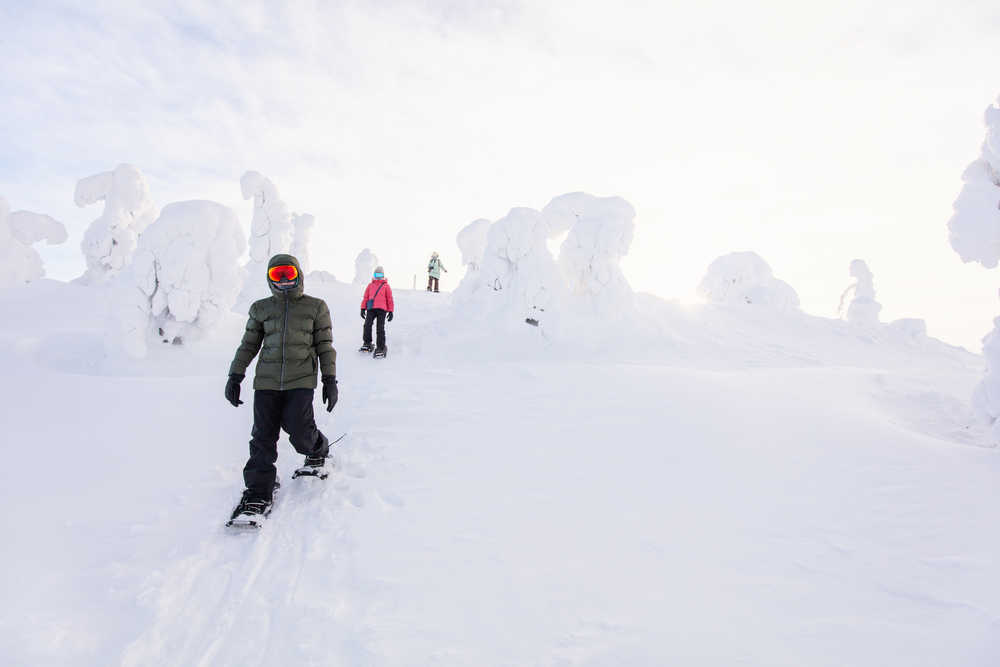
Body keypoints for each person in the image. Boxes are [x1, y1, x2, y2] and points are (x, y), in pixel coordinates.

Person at [224, 254, 338, 522]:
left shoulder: (315, 307)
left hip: (300, 380)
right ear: (269, 278)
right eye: (278, 275)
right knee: (262, 436)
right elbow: (249, 345)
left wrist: (329, 380)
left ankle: (318, 448)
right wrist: (235, 375)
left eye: (288, 273)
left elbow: (325, 345)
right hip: (266, 381)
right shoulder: (261, 308)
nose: (285, 280)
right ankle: (258, 490)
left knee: (299, 430)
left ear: (298, 274)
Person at [359, 265, 395, 357]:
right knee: (367, 325)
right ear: (374, 275)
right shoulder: (370, 285)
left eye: (380, 274)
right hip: (371, 309)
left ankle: (381, 347)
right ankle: (367, 343)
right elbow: (366, 297)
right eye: (376, 274)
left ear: (383, 275)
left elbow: (390, 299)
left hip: (382, 310)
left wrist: (390, 311)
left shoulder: (386, 286)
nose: (378, 276)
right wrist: (363, 308)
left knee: (380, 328)